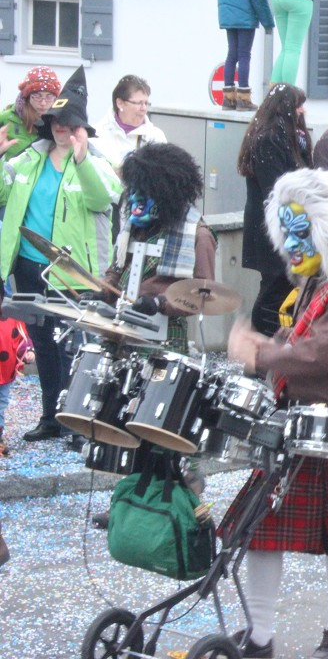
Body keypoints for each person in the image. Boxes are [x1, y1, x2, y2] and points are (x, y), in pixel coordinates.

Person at [226, 168, 328, 659]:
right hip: (298, 412)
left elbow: (318, 353)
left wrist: (257, 353)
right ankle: (259, 636)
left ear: (326, 226)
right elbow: (300, 341)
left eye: (302, 235)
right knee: (260, 528)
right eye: (287, 236)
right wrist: (270, 343)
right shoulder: (327, 271)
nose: (292, 249)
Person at [1, 67, 122, 444]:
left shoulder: (96, 162)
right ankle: (51, 417)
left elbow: (104, 198)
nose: (60, 129)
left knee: (72, 348)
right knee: (43, 347)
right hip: (28, 264)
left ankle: (77, 421)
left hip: (73, 272)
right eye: (55, 121)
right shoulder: (29, 159)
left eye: (69, 124)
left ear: (81, 128)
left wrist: (83, 158)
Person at [103, 143, 217, 353]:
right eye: (134, 188)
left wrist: (159, 302)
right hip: (122, 332)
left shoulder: (199, 235)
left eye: (144, 190)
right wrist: (104, 292)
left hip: (164, 341)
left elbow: (203, 293)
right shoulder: (135, 228)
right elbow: (117, 270)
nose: (136, 196)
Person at [239, 83, 312, 336]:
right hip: (271, 227)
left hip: (286, 224)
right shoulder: (269, 139)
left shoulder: (292, 137)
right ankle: (257, 345)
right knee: (273, 288)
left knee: (280, 287)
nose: (302, 110)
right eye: (298, 105)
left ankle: (266, 346)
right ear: (286, 108)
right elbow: (276, 188)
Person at [217, 0, 275, 112]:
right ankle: (243, 98)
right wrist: (267, 21)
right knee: (244, 55)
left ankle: (228, 99)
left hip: (228, 15)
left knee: (232, 53)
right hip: (244, 15)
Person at [92, 75, 168, 173]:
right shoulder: (97, 134)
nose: (144, 108)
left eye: (146, 103)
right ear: (120, 103)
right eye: (139, 103)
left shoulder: (155, 136)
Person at [0, 67, 59, 161]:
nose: (43, 103)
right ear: (27, 97)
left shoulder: (60, 123)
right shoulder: (5, 119)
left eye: (49, 96)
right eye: (37, 96)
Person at [0, 318, 32, 456]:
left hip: (5, 371)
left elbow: (22, 338)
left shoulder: (13, 317)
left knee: (1, 404)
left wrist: (28, 352)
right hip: (6, 369)